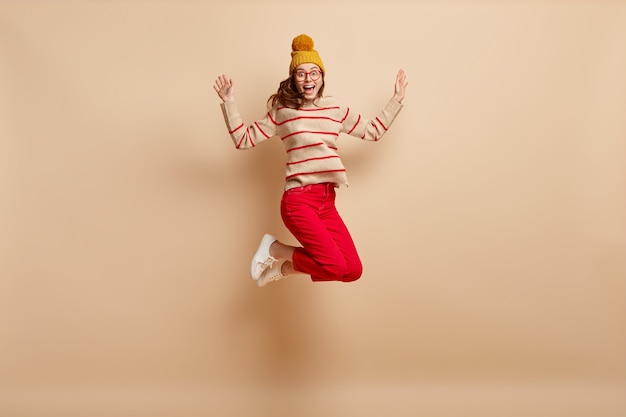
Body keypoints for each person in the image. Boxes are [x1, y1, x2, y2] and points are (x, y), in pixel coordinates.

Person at [213, 34, 407, 287]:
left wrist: (396, 100)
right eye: (301, 74)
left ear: (322, 77)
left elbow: (373, 131)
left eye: (314, 73)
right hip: (299, 200)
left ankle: (285, 267)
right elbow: (243, 139)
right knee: (335, 265)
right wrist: (229, 102)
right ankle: (275, 249)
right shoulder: (283, 111)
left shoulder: (334, 108)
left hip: (327, 201)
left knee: (352, 270)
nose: (308, 79)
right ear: (293, 78)